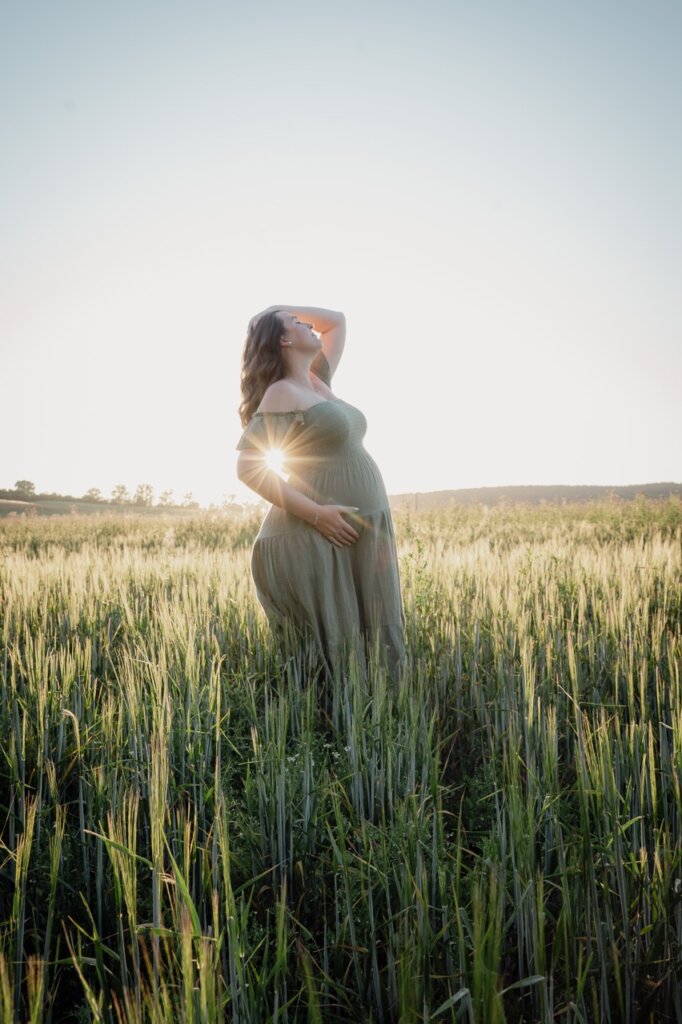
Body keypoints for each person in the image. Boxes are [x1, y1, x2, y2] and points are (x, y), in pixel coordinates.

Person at [236, 304, 405, 678]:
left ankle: (371, 727)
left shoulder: (317, 379)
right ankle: (335, 732)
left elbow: (337, 321)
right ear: (284, 340)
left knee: (371, 641)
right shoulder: (282, 391)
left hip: (353, 529)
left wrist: (276, 310)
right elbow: (248, 467)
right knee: (335, 656)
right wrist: (318, 514)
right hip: (312, 533)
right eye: (296, 324)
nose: (308, 324)